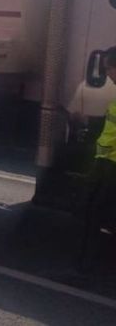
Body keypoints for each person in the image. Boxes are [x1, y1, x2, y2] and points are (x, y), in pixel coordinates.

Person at [80, 46, 116, 270]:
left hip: (111, 166)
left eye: (110, 69)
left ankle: (84, 267)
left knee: (93, 211)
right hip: (109, 163)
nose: (109, 76)